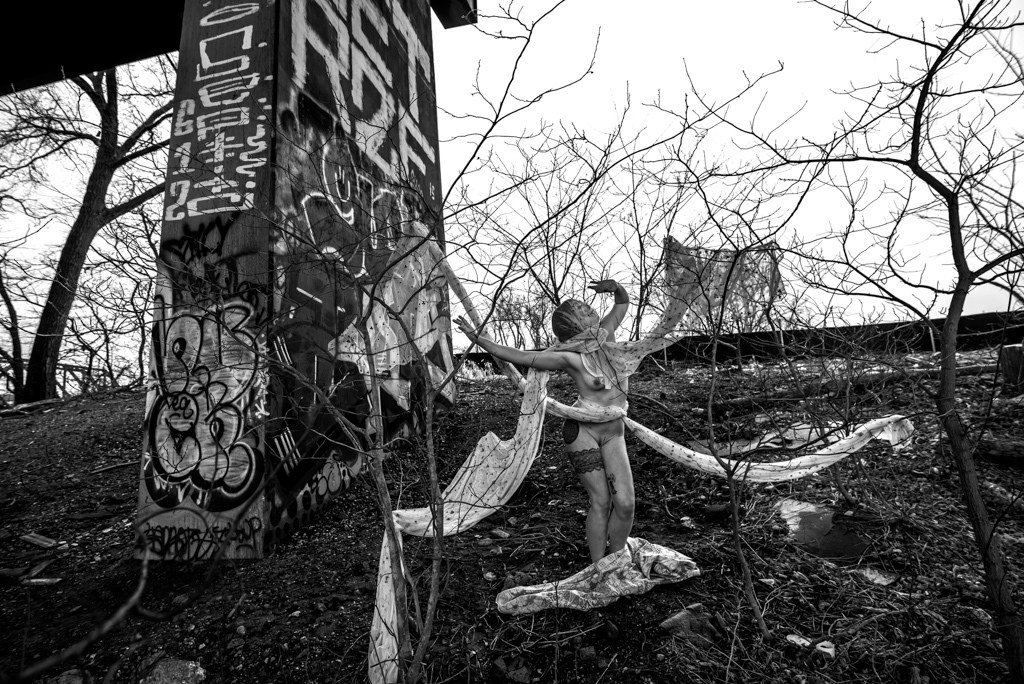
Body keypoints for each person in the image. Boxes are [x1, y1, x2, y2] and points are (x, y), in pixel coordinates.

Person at [454, 280, 634, 564]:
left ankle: (618, 561)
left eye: (586, 310)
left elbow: (622, 302)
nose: (588, 312)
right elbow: (521, 356)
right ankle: (600, 567)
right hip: (583, 431)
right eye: (581, 313)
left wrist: (613, 287)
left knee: (625, 503)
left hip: (614, 432)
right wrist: (479, 340)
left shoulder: (608, 334)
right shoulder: (570, 358)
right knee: (601, 501)